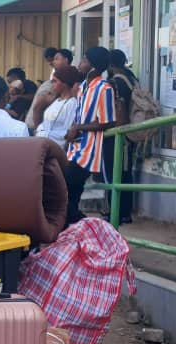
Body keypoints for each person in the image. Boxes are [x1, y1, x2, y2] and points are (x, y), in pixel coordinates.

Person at [64, 47, 117, 227]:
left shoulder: (104, 88)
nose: (80, 63)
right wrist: (73, 130)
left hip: (88, 152)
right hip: (75, 148)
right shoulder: (83, 87)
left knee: (62, 190)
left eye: (84, 60)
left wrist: (78, 127)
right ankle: (79, 229)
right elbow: (80, 116)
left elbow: (108, 121)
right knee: (70, 196)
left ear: (93, 66)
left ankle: (89, 226)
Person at [104, 49, 137, 224]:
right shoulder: (131, 78)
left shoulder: (115, 83)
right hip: (128, 132)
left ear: (110, 65)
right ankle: (125, 212)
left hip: (117, 133)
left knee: (114, 173)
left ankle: (116, 212)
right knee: (125, 172)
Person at [35, 65, 82, 149]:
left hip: (56, 149)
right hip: (43, 145)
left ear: (65, 83)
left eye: (55, 81)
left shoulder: (71, 104)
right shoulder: (56, 101)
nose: (52, 84)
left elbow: (68, 133)